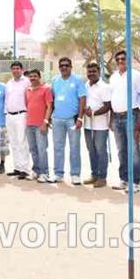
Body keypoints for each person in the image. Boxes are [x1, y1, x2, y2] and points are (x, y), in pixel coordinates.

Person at [109, 50, 140, 193]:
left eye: (123, 58)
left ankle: (135, 181)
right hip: (117, 117)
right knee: (121, 150)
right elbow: (112, 98)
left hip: (132, 115)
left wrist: (139, 123)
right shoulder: (113, 77)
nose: (120, 61)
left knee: (134, 149)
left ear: (129, 60)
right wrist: (111, 118)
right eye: (117, 59)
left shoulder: (136, 76)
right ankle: (124, 179)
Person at [50, 57, 86, 185]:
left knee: (74, 147)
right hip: (57, 119)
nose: (64, 67)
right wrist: (49, 118)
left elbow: (82, 99)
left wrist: (80, 118)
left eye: (66, 65)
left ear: (71, 67)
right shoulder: (55, 80)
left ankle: (75, 174)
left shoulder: (78, 80)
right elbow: (52, 100)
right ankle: (58, 174)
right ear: (59, 67)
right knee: (58, 147)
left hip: (72, 119)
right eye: (61, 66)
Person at [83, 62, 112, 188]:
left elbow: (108, 106)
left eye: (94, 71)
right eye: (89, 72)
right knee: (91, 151)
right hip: (88, 125)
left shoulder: (104, 87)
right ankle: (94, 175)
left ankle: (102, 177)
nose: (91, 74)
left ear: (99, 72)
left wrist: (94, 113)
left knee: (101, 151)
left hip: (100, 126)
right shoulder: (86, 85)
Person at [25, 69, 53, 183]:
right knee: (33, 149)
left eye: (35, 76)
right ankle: (36, 171)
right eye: (31, 76)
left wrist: (45, 122)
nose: (33, 78)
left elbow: (49, 106)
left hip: (40, 125)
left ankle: (44, 173)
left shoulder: (46, 89)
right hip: (29, 124)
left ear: (39, 77)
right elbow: (28, 105)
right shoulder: (27, 90)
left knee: (42, 149)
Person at [5, 61, 29, 177]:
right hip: (10, 116)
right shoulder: (9, 83)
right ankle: (17, 167)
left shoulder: (27, 82)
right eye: (13, 68)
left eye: (17, 68)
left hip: (21, 115)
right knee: (13, 142)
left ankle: (25, 169)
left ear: (21, 69)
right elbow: (7, 99)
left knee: (22, 142)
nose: (15, 70)